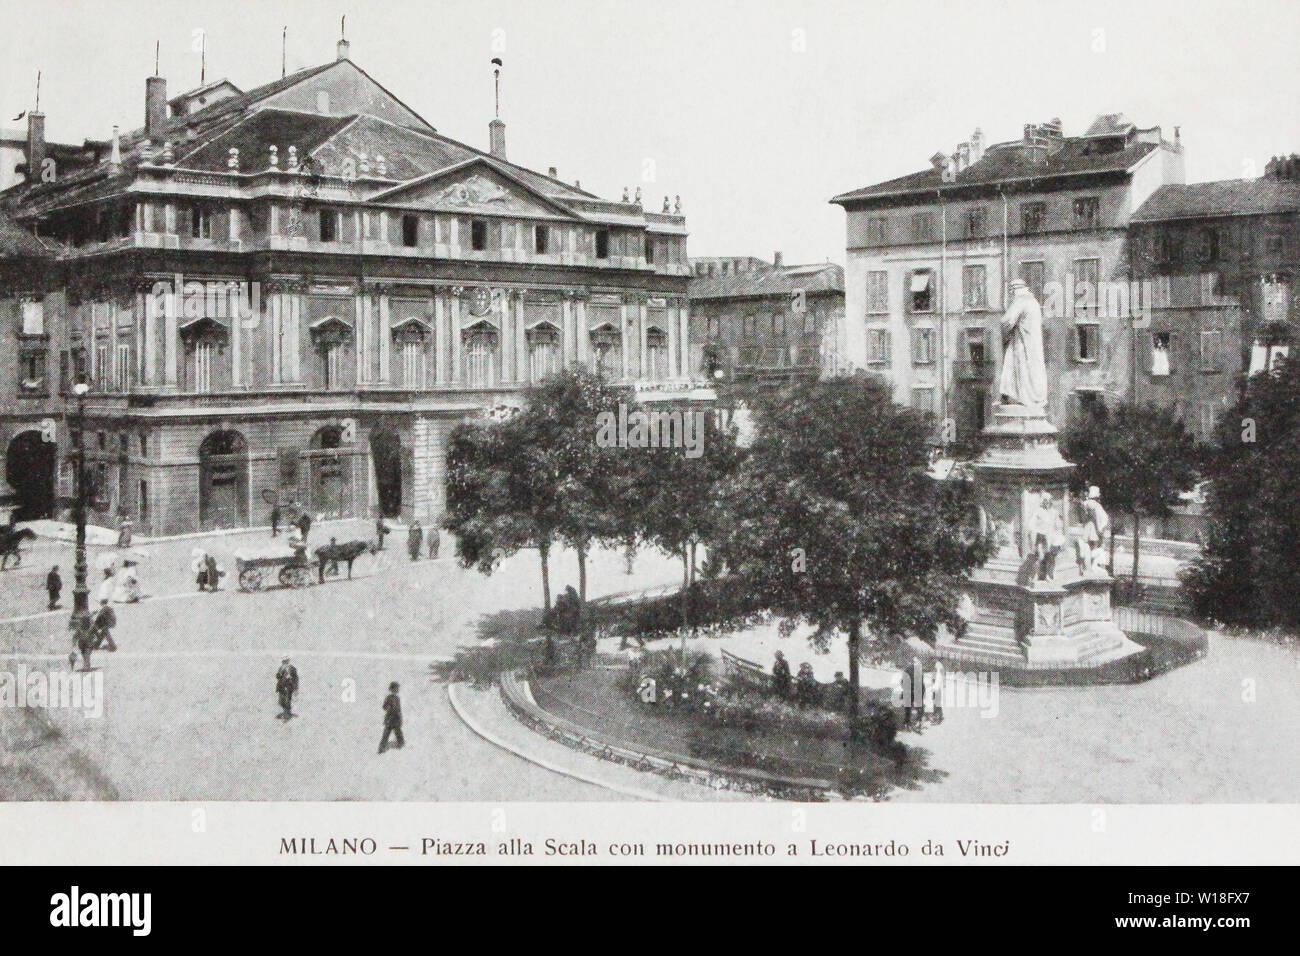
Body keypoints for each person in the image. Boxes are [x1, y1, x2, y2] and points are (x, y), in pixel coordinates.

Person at [378, 681, 404, 753]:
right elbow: (384, 707)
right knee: (386, 733)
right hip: (390, 718)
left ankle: (401, 743)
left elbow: (399, 709)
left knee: (398, 732)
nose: (397, 690)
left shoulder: (397, 698)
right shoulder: (388, 698)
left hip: (396, 718)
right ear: (392, 689)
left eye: (397, 689)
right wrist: (388, 706)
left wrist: (400, 718)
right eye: (395, 689)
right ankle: (382, 747)